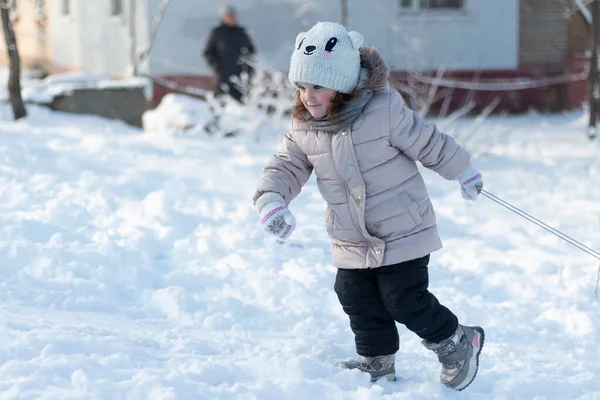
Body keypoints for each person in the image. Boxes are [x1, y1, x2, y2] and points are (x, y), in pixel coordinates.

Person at [252, 22, 485, 391]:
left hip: (403, 228)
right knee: (354, 295)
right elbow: (286, 166)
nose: (308, 97)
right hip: (351, 236)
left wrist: (463, 171)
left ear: (343, 84)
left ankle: (456, 341)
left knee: (403, 299)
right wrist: (271, 198)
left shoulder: (384, 111)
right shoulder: (303, 127)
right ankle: (376, 358)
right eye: (301, 87)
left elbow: (429, 143)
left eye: (318, 87)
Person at [203, 5, 256, 102]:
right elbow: (208, 53)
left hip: (240, 76)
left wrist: (248, 69)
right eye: (229, 16)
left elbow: (251, 51)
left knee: (241, 102)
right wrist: (217, 65)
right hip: (222, 76)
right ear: (223, 17)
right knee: (221, 102)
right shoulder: (216, 32)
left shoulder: (242, 32)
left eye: (234, 15)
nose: (232, 18)